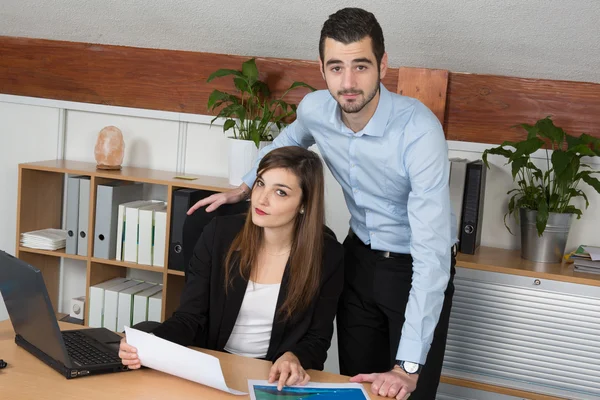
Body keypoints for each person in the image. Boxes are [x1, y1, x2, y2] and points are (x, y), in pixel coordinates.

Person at [188, 7, 457, 400]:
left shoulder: (419, 132)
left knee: (406, 392)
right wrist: (243, 189)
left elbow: (432, 257)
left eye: (361, 66)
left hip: (416, 266)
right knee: (358, 388)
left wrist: (408, 367)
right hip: (359, 260)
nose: (348, 83)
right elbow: (285, 143)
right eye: (336, 68)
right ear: (321, 67)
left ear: (383, 64)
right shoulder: (316, 109)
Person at [119, 146, 345, 391]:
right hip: (212, 368)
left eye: (280, 192)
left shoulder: (327, 256)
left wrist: (294, 357)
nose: (262, 199)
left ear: (304, 204)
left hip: (271, 378)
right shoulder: (219, 235)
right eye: (260, 184)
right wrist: (151, 343)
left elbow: (317, 339)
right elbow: (189, 317)